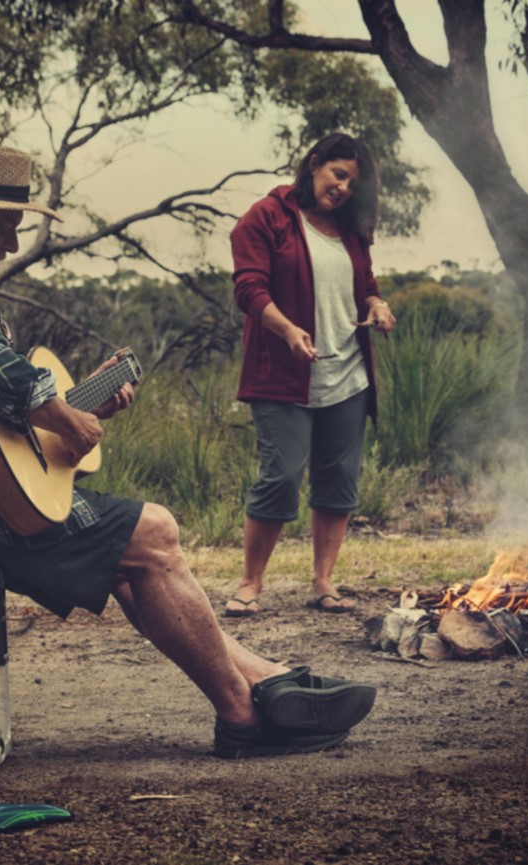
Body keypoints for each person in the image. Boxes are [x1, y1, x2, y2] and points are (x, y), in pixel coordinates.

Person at [0, 138, 376, 758]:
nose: (11, 244)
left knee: (128, 557)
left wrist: (75, 406)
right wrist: (69, 418)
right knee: (153, 534)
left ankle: (264, 678)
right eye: (5, 228)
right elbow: (1, 376)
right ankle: (244, 713)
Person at [224, 133, 397, 619]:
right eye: (337, 174)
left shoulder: (350, 229)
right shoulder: (268, 216)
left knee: (338, 478)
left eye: (351, 183)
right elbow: (248, 288)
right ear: (314, 164)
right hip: (283, 373)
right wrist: (286, 330)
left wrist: (377, 305)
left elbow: (365, 284)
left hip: (348, 374)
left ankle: (323, 582)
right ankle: (250, 582)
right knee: (280, 476)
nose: (343, 188)